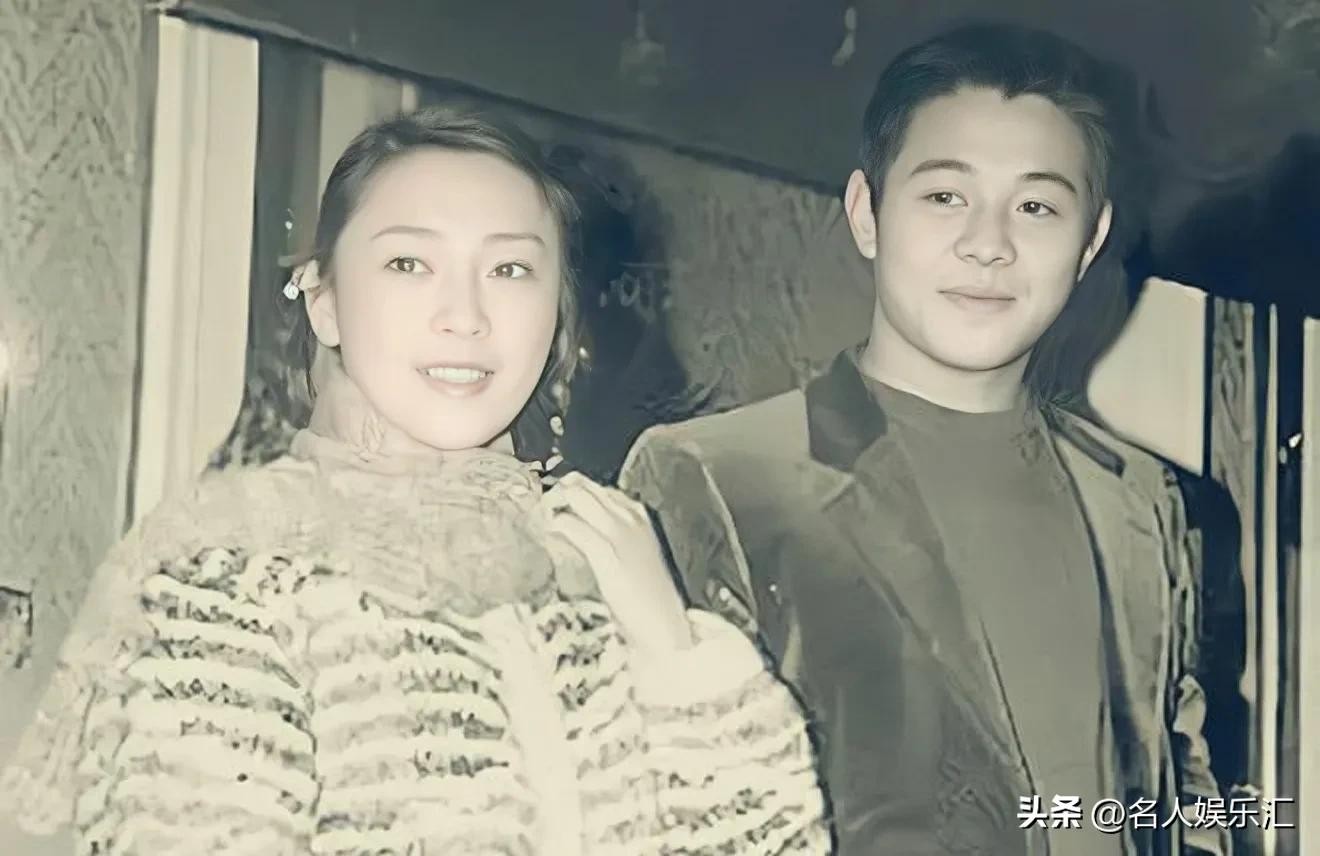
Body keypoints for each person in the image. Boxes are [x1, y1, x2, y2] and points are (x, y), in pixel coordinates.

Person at [0, 107, 830, 855]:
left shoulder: (597, 574)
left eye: (510, 270)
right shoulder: (231, 579)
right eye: (408, 263)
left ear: (557, 315)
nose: (464, 315)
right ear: (324, 303)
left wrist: (677, 656)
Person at [621, 22, 1228, 856]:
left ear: (1090, 242)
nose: (988, 244)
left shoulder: (1140, 499)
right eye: (945, 196)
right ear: (867, 214)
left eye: (1037, 207)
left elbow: (1181, 801)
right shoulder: (714, 479)